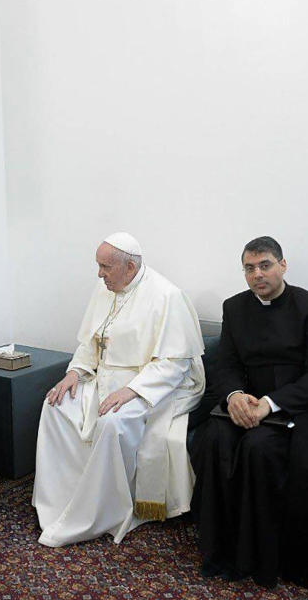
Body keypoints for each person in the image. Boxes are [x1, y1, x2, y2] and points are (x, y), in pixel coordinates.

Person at [33, 232, 205, 546]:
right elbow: (90, 341)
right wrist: (74, 372)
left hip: (153, 386)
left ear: (129, 267)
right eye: (98, 266)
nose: (99, 274)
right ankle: (64, 498)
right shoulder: (105, 289)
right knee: (55, 405)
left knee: (112, 423)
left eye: (105, 267)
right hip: (103, 378)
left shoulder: (167, 296)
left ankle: (103, 511)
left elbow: (174, 365)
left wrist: (132, 391)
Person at [191, 236, 308, 588]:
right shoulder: (235, 307)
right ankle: (220, 553)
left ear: (283, 265)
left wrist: (270, 404)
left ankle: (263, 560)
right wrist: (233, 395)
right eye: (249, 268)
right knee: (214, 439)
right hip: (244, 404)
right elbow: (225, 363)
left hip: (296, 407)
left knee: (260, 448)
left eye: (265, 265)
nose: (258, 274)